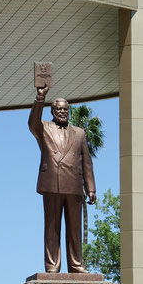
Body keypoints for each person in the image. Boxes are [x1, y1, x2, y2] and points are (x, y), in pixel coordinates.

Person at [28, 85, 96, 273]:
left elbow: (87, 162)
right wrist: (40, 98)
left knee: (74, 229)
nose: (62, 112)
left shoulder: (79, 133)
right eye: (58, 109)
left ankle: (75, 264)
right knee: (52, 229)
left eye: (65, 109)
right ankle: (52, 266)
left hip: (74, 185)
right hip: (52, 183)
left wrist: (91, 188)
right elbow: (31, 122)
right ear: (52, 111)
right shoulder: (43, 128)